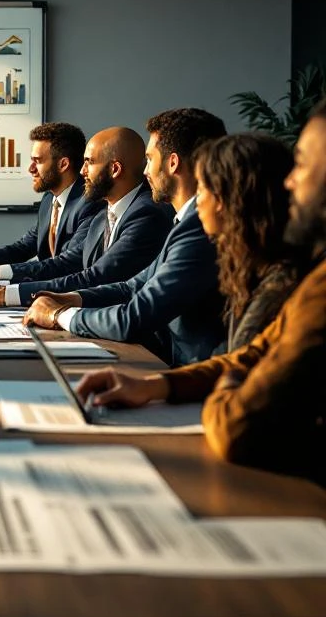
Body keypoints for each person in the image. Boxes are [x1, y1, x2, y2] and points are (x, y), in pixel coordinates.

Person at [76, 107, 326, 485]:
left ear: (226, 200)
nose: (292, 183)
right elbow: (249, 357)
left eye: (303, 165)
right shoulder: (282, 275)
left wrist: (228, 381)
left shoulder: (300, 286)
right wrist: (157, 386)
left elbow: (236, 423)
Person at [24, 108, 228, 367]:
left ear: (173, 162)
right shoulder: (185, 222)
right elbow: (132, 286)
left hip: (192, 375)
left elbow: (132, 318)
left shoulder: (199, 228)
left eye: (149, 159)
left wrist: (59, 314)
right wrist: (73, 298)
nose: (145, 172)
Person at [0, 127, 171, 307]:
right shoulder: (105, 212)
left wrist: (0, 294)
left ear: (115, 169)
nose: (82, 171)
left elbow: (92, 277)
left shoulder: (146, 214)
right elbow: (75, 266)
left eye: (89, 162)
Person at [0, 123, 102, 283]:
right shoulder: (49, 200)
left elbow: (67, 264)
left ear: (63, 164)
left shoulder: (89, 202)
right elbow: (24, 247)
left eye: (37, 161)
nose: (31, 168)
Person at [193, 133, 302, 350]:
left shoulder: (279, 288)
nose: (197, 201)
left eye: (199, 189)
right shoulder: (250, 264)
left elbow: (241, 365)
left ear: (223, 199)